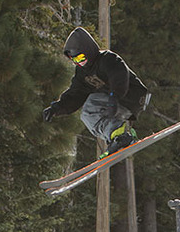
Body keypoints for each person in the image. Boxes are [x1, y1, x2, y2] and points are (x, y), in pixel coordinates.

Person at [42, 27, 150, 158]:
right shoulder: (82, 73)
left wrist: (114, 97)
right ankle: (119, 138)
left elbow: (119, 76)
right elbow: (76, 94)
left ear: (88, 50)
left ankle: (121, 135)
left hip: (131, 95)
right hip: (116, 102)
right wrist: (57, 108)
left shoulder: (107, 59)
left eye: (81, 57)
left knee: (91, 104)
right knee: (87, 116)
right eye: (75, 60)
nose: (80, 62)